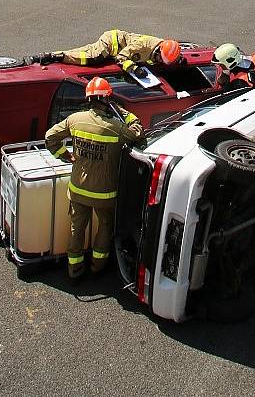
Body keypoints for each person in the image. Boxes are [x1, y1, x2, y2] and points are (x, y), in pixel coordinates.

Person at [45, 77, 144, 281]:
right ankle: (98, 266)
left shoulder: (75, 119)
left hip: (78, 189)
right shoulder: (115, 128)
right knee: (105, 227)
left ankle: (74, 270)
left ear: (88, 98)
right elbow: (138, 133)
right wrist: (124, 112)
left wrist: (67, 156)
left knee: (76, 229)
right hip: (105, 193)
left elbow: (50, 137)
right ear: (107, 100)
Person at [35, 30, 182, 78]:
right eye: (160, 59)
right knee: (91, 59)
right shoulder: (143, 45)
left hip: (117, 45)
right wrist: (134, 69)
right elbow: (121, 58)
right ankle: (53, 57)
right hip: (112, 43)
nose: (159, 61)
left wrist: (178, 61)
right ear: (159, 50)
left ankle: (54, 54)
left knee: (85, 51)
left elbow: (168, 57)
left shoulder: (164, 48)